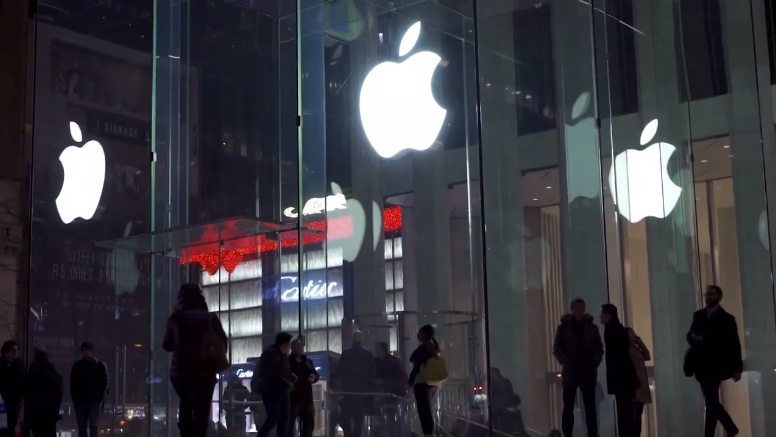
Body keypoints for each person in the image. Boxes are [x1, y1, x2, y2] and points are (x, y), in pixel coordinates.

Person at [163, 283, 228, 437]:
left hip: (181, 371)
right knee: (202, 411)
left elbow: (167, 345)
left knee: (185, 401)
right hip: (205, 371)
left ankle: (185, 432)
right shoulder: (210, 318)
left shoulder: (176, 319)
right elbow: (222, 341)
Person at [686, 285, 742, 437]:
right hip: (701, 365)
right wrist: (694, 338)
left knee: (711, 400)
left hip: (716, 365)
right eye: (708, 294)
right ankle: (729, 428)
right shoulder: (699, 315)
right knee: (712, 402)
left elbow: (734, 343)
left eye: (712, 294)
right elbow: (690, 334)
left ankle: (723, 430)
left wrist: (737, 368)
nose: (709, 297)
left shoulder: (727, 319)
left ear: (718, 297)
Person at [552, 298, 603, 437]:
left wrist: (594, 361)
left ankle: (592, 434)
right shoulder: (565, 328)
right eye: (577, 308)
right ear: (572, 309)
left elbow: (599, 348)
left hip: (586, 371)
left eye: (581, 308)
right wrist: (567, 362)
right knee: (569, 408)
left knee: (589, 408)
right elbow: (557, 348)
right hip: (573, 372)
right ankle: (569, 434)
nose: (580, 311)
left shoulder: (591, 328)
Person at [600, 304, 639, 437]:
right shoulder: (617, 328)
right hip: (625, 378)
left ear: (608, 315)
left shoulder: (611, 329)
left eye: (602, 313)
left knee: (623, 413)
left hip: (621, 379)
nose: (600, 316)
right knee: (626, 413)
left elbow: (616, 358)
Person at [254, 332, 297, 437]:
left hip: (281, 391)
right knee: (274, 417)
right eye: (289, 345)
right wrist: (288, 383)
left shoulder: (281, 356)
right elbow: (272, 374)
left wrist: (291, 377)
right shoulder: (271, 354)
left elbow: (283, 371)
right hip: (272, 392)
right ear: (284, 344)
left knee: (282, 420)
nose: (289, 348)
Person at [335, 331, 375, 437]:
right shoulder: (368, 354)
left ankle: (348, 434)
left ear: (352, 339)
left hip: (347, 391)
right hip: (362, 391)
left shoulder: (346, 353)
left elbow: (340, 372)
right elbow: (372, 373)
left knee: (346, 416)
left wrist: (340, 389)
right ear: (362, 340)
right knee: (359, 417)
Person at [408, 324, 441, 437]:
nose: (418, 335)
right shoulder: (433, 348)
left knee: (423, 409)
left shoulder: (423, 348)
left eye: (420, 332)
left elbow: (414, 361)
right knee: (427, 408)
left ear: (425, 334)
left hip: (422, 382)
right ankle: (428, 432)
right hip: (431, 382)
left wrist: (410, 382)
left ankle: (427, 433)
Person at [71, 342, 109, 437]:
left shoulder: (99, 366)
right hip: (83, 400)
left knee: (92, 425)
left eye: (86, 350)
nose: (85, 352)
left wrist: (100, 396)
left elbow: (105, 383)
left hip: (93, 400)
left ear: (91, 351)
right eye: (83, 350)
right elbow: (73, 384)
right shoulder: (78, 366)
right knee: (83, 427)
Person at [23, 347, 63, 437]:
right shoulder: (51, 371)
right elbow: (59, 392)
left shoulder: (33, 370)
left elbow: (27, 393)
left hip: (37, 411)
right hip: (48, 412)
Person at [287, 339, 319, 437]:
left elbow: (315, 373)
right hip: (293, 398)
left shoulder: (308, 361)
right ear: (292, 348)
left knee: (309, 423)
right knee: (289, 424)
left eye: (301, 347)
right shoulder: (287, 362)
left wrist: (314, 377)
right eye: (297, 347)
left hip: (307, 397)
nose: (299, 349)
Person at [373, 341, 405, 436]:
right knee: (380, 417)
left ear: (382, 350)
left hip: (391, 394)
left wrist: (384, 382)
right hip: (380, 393)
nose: (375, 351)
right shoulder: (375, 362)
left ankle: (392, 434)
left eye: (377, 349)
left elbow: (397, 377)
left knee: (391, 416)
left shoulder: (392, 362)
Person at [626, 327, 651, 436]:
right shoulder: (625, 349)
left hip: (641, 386)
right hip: (634, 387)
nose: (633, 335)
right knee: (634, 417)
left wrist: (639, 341)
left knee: (638, 416)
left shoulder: (635, 347)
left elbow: (647, 355)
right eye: (631, 333)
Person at [0, 340, 24, 435]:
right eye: (12, 350)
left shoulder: (19, 365)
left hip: (14, 404)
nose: (15, 353)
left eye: (16, 350)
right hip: (2, 402)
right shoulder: (1, 365)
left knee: (10, 427)